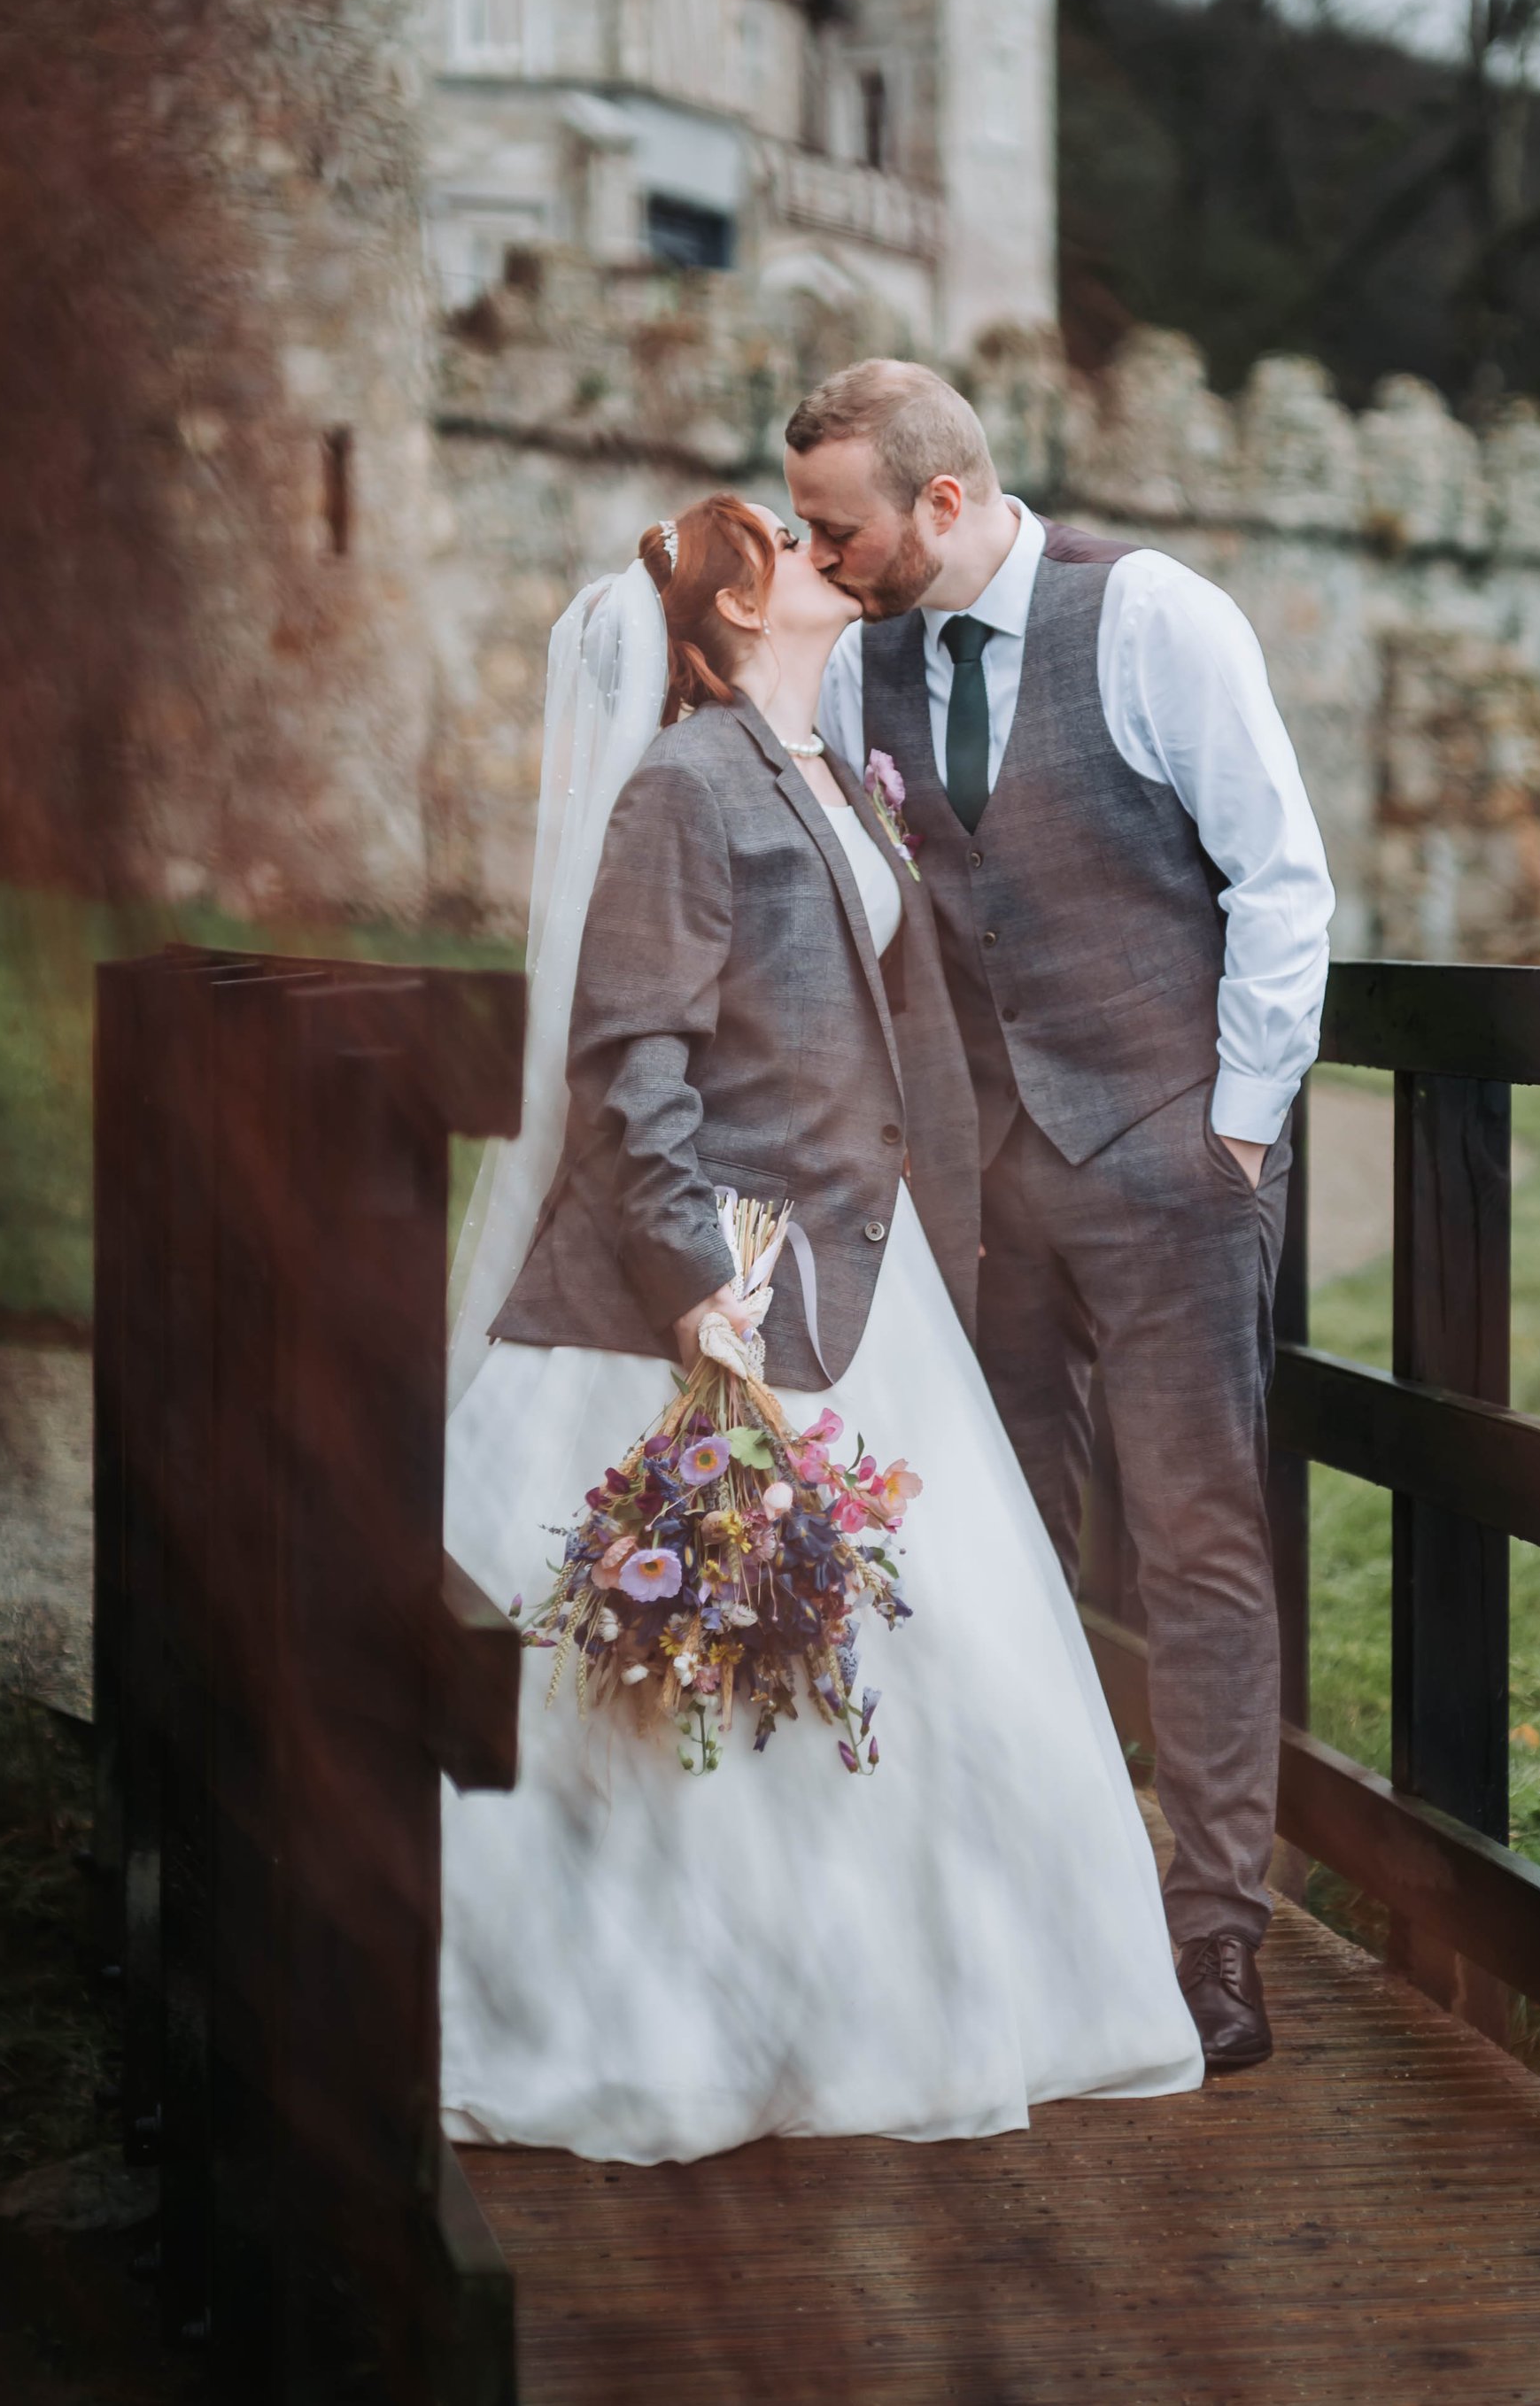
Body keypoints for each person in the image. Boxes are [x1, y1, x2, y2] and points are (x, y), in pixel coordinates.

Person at [439, 492, 1202, 2163]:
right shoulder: (680, 787)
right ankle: (678, 2011)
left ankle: (899, 1993)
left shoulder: (817, 768)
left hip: (858, 1286)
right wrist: (695, 1273)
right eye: (783, 538)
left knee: (944, 1667)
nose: (820, 548)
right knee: (660, 1681)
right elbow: (628, 1052)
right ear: (727, 612)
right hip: (712, 1290)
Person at [788, 362, 1334, 2074]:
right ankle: (1032, 1904)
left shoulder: (1155, 616)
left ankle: (1217, 1932)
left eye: (839, 523)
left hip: (1174, 1157)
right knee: (998, 1537)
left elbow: (1282, 879)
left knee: (1199, 1542)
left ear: (940, 503)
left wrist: (1236, 1132)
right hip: (983, 1186)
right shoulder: (854, 663)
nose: (819, 553)